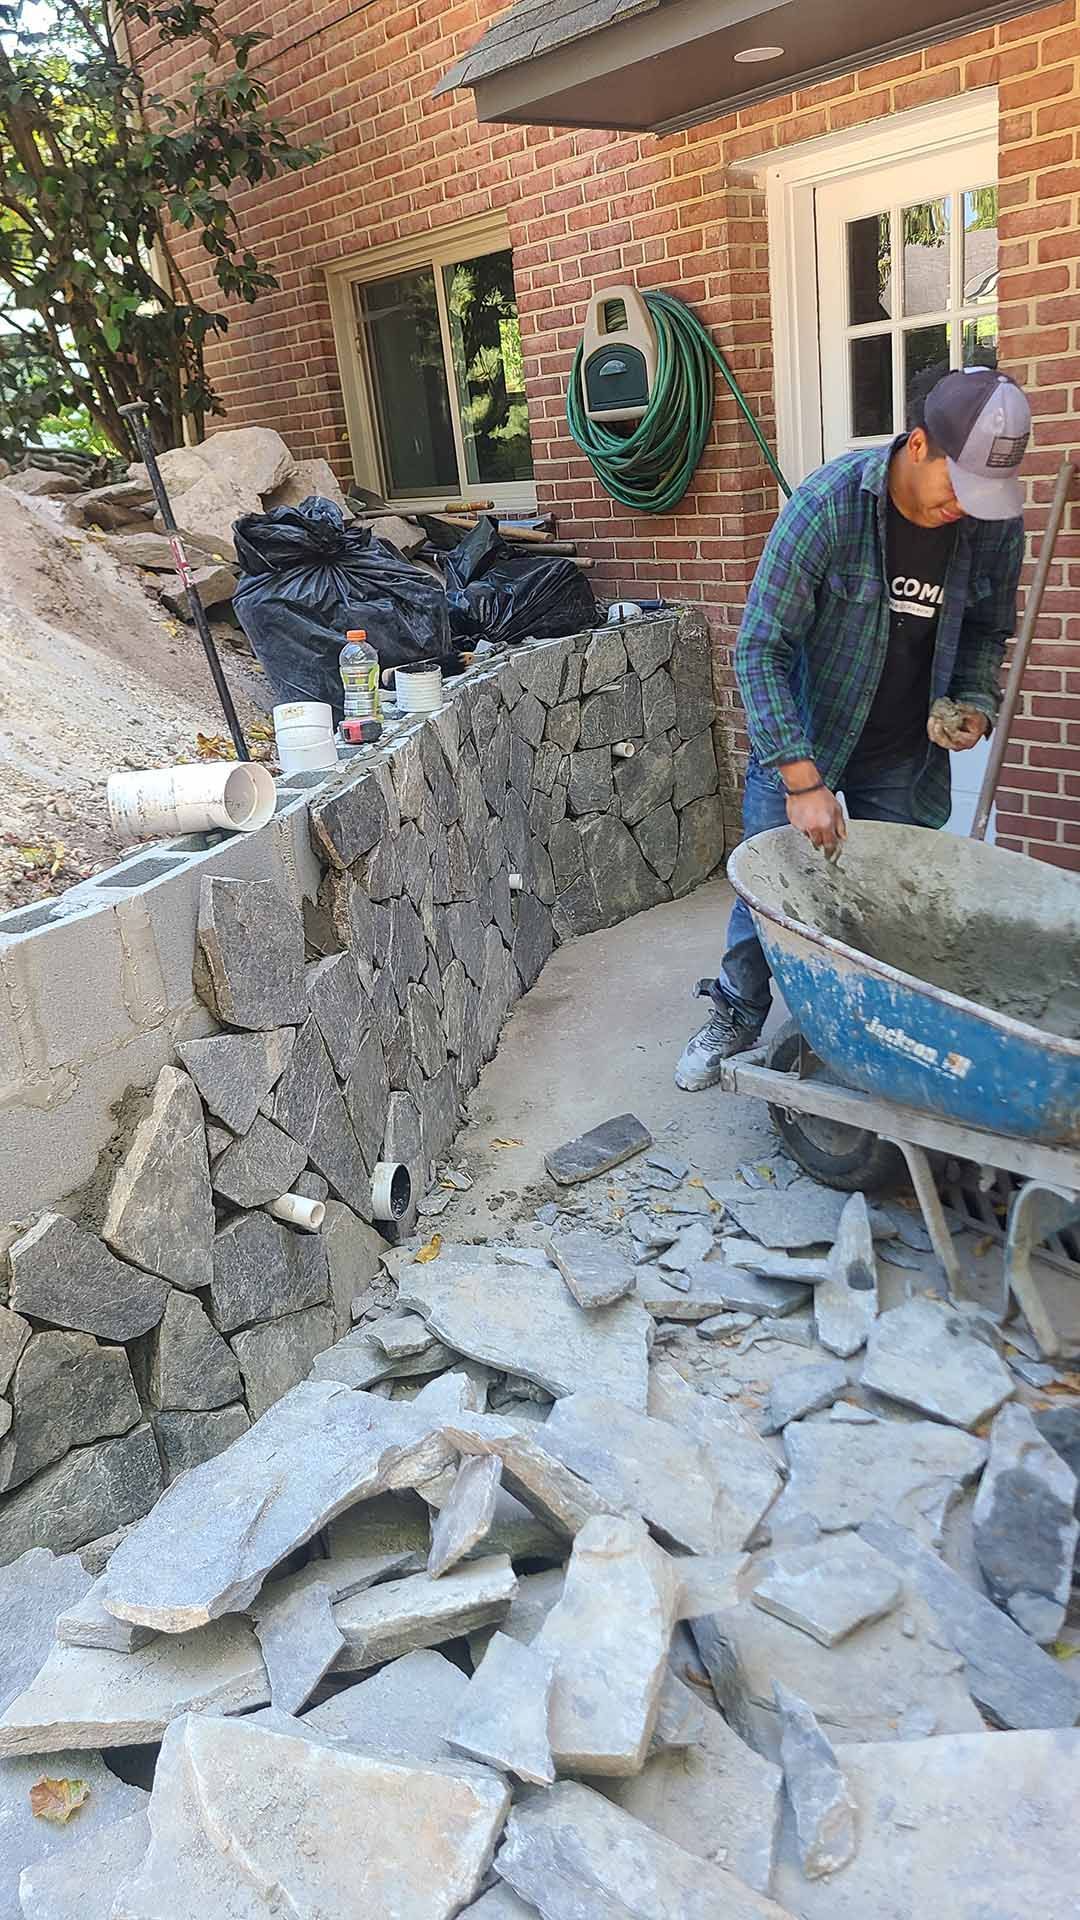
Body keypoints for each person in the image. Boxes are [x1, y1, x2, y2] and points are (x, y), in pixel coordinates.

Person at [676, 364, 1030, 1092]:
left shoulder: (990, 527)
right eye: (958, 486)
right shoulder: (829, 506)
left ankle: (871, 1032)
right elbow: (759, 647)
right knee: (769, 893)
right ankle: (738, 1010)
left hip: (902, 753)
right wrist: (802, 780)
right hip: (808, 735)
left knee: (888, 901)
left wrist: (970, 700)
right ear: (921, 445)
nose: (967, 507)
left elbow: (990, 628)